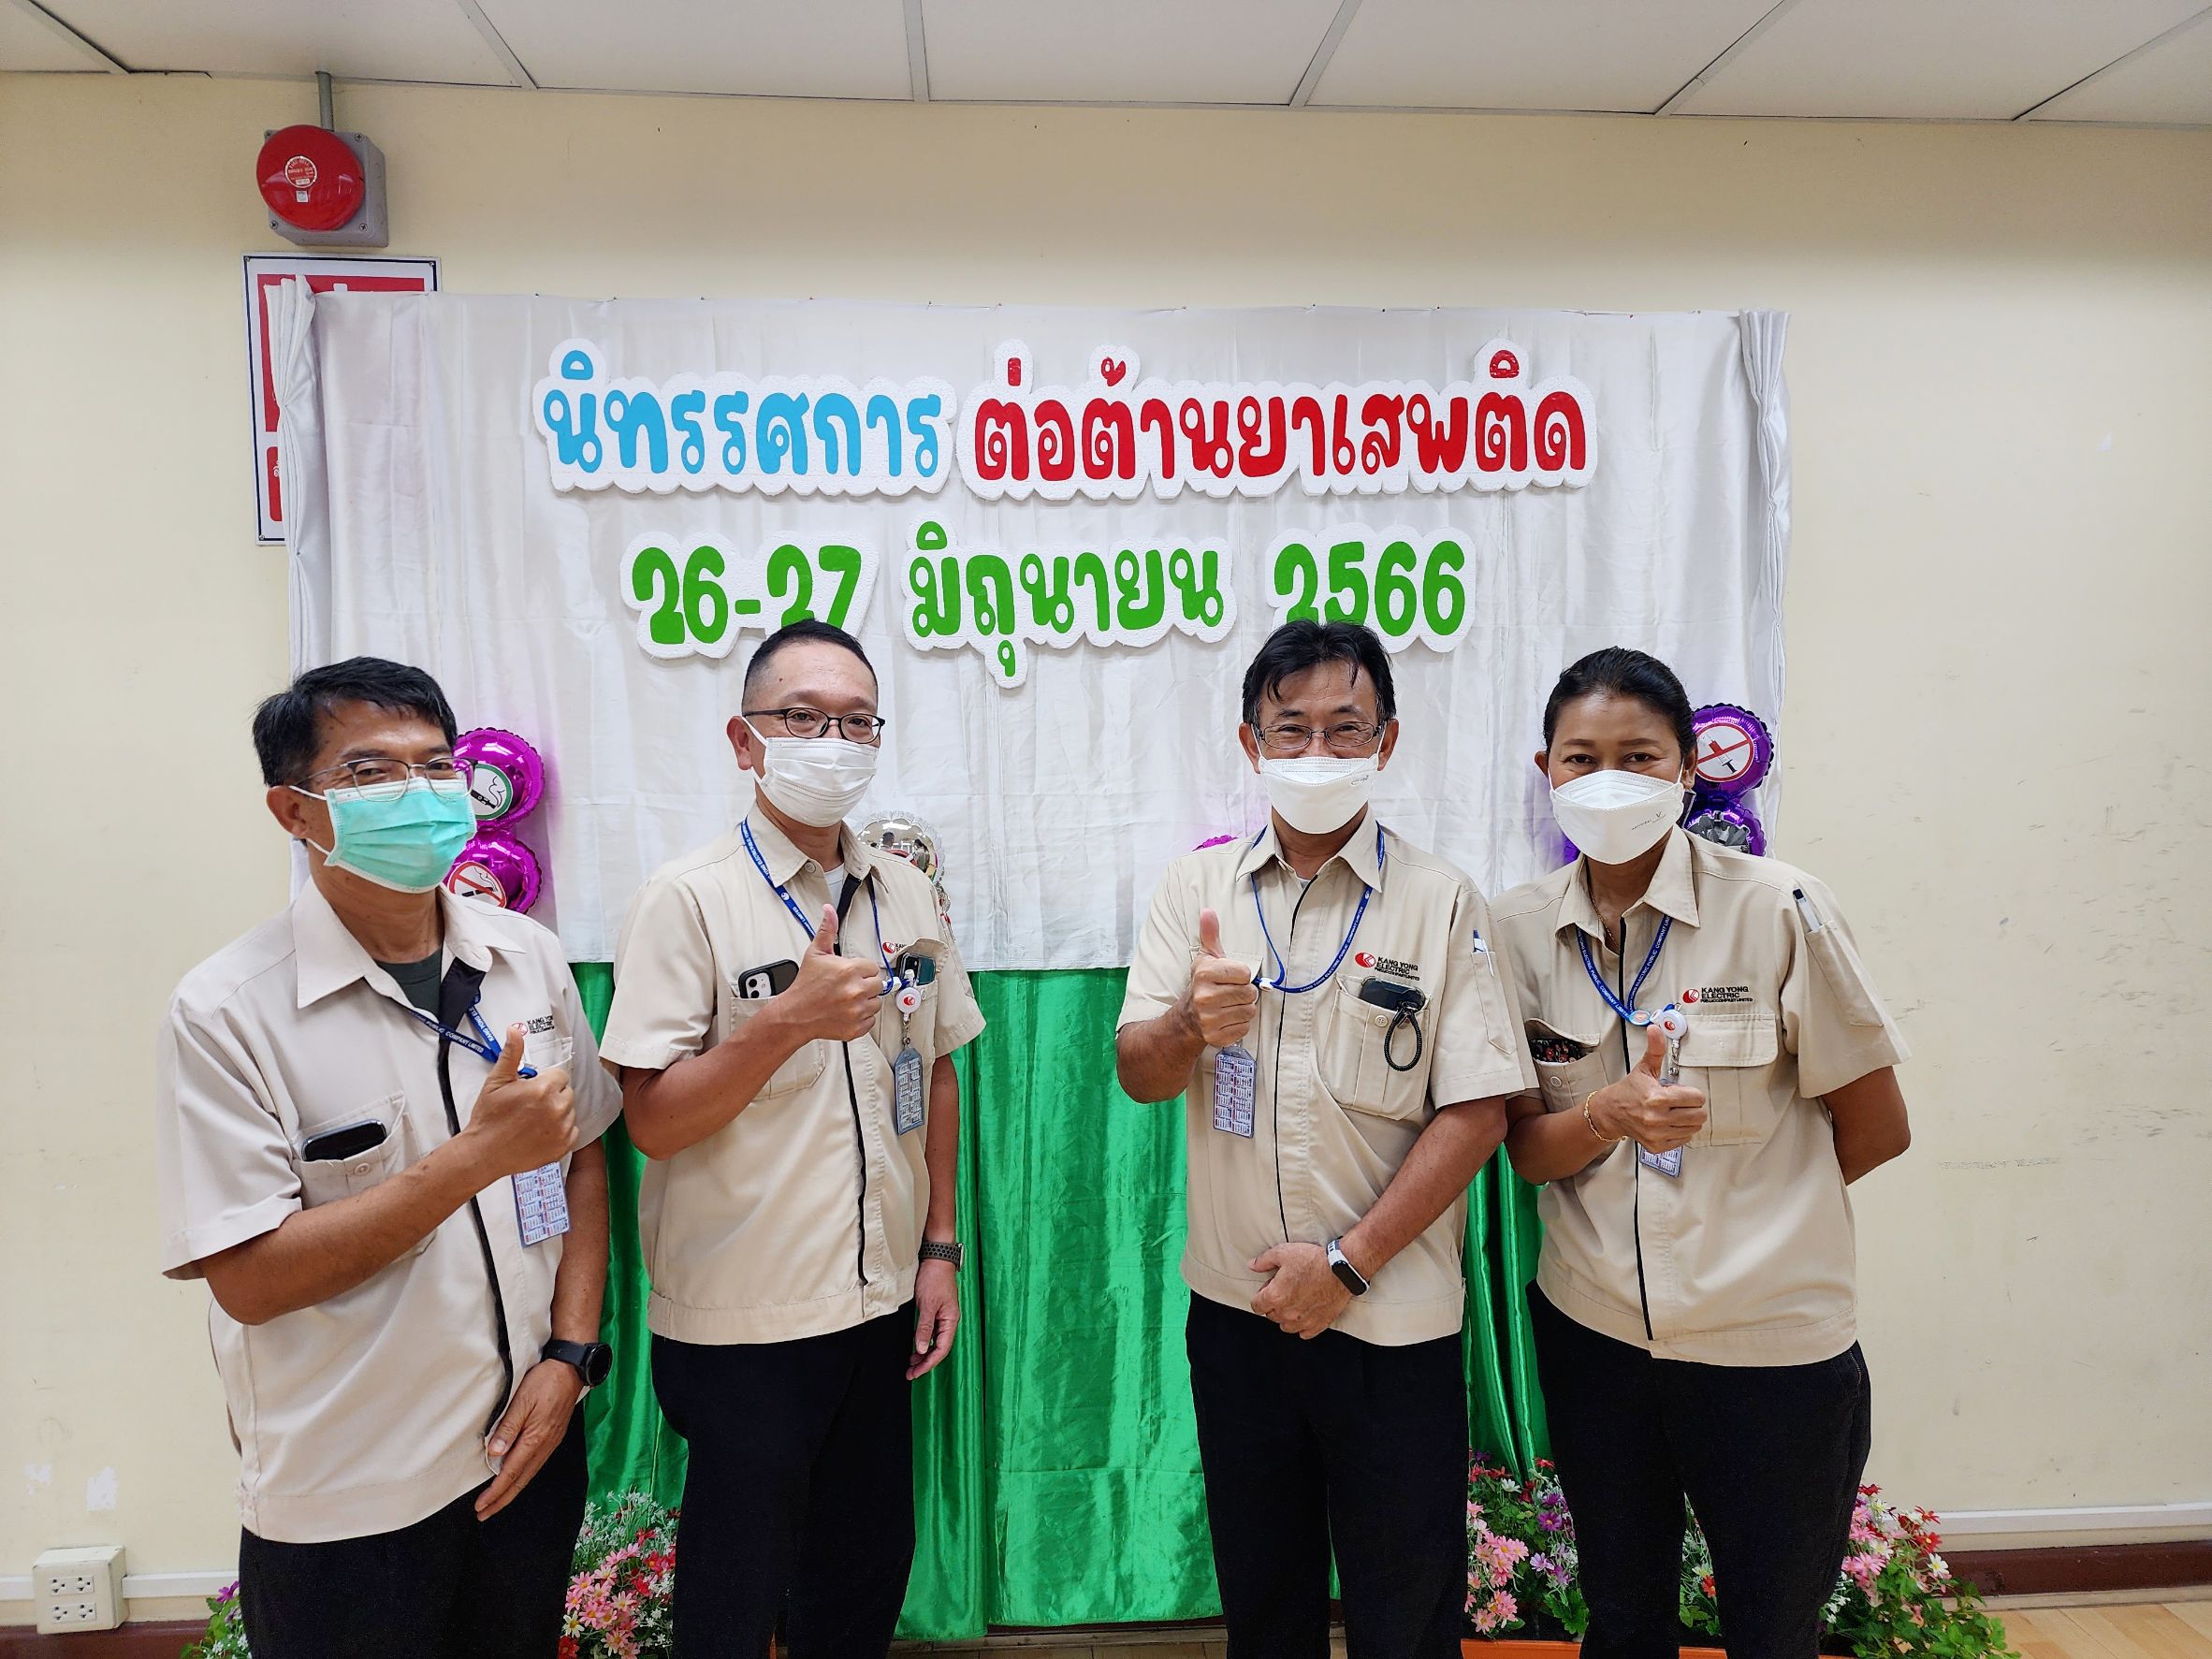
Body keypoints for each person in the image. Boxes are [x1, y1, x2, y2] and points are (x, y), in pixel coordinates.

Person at [154, 658, 621, 1659]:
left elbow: (580, 1154)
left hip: (524, 1451)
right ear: (296, 811)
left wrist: (571, 1356)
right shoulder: (228, 1011)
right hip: (348, 1492)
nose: (418, 792)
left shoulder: (525, 956)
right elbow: (251, 1278)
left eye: (437, 764)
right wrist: (474, 1158)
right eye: (370, 772)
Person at [1115, 619, 1535, 1659]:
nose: (1317, 752)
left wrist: (1346, 1265)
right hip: (1240, 1313)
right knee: (1266, 1606)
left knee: (1407, 1612)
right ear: (1250, 744)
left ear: (1386, 741)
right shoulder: (1193, 892)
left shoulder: (1441, 900)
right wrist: (1188, 1027)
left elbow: (1479, 1111)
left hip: (1390, 1321)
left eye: (1345, 729)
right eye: (1290, 729)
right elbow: (1138, 1072)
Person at [1492, 647, 1914, 1659]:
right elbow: (1529, 1154)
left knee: (1773, 1631)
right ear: (1546, 771)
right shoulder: (1514, 931)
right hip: (1597, 1338)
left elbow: (1878, 1125)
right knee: (1622, 1619)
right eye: (1582, 758)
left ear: (1689, 767)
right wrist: (1608, 1116)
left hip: (1770, 1348)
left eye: (1639, 756)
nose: (1609, 781)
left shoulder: (1778, 908)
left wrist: (1759, 1215)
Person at [599, 618, 984, 1659]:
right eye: (803, 717)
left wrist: (939, 1248)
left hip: (877, 1299)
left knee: (860, 1577)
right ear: (745, 740)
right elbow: (652, 1120)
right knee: (734, 1599)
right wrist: (783, 1025)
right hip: (746, 1320)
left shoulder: (904, 889)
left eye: (857, 722)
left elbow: (938, 1064)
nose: (834, 741)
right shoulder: (687, 899)